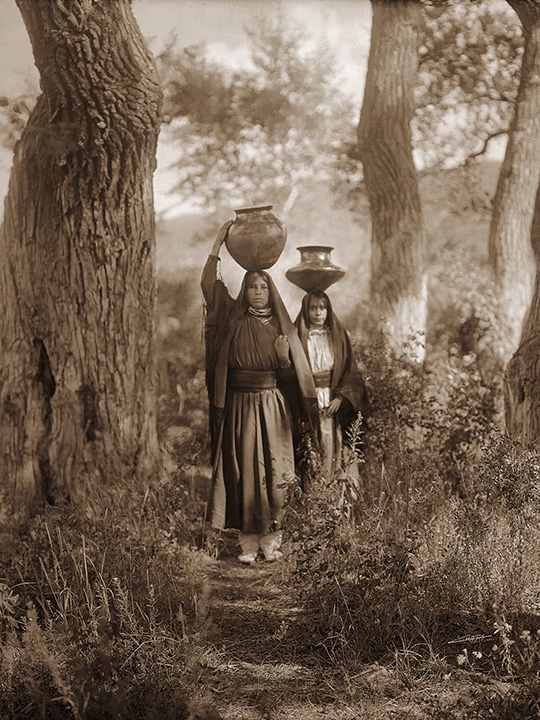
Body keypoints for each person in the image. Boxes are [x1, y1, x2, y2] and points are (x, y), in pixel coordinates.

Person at [201, 222, 319, 565]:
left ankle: (272, 539)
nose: (256, 291)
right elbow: (209, 286)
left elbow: (293, 380)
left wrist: (283, 360)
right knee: (243, 472)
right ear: (245, 290)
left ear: (271, 291)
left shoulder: (283, 329)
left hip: (272, 408)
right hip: (238, 406)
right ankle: (247, 543)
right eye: (251, 286)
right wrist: (217, 245)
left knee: (275, 471)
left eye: (262, 286)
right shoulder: (230, 320)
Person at [294, 289, 367, 477]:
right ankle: (313, 494)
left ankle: (333, 496)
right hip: (308, 397)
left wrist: (341, 397)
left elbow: (350, 371)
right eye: (313, 308)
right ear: (306, 310)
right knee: (311, 444)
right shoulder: (299, 337)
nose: (318, 313)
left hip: (332, 399)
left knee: (331, 441)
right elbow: (290, 372)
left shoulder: (337, 336)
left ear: (328, 310)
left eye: (322, 308)